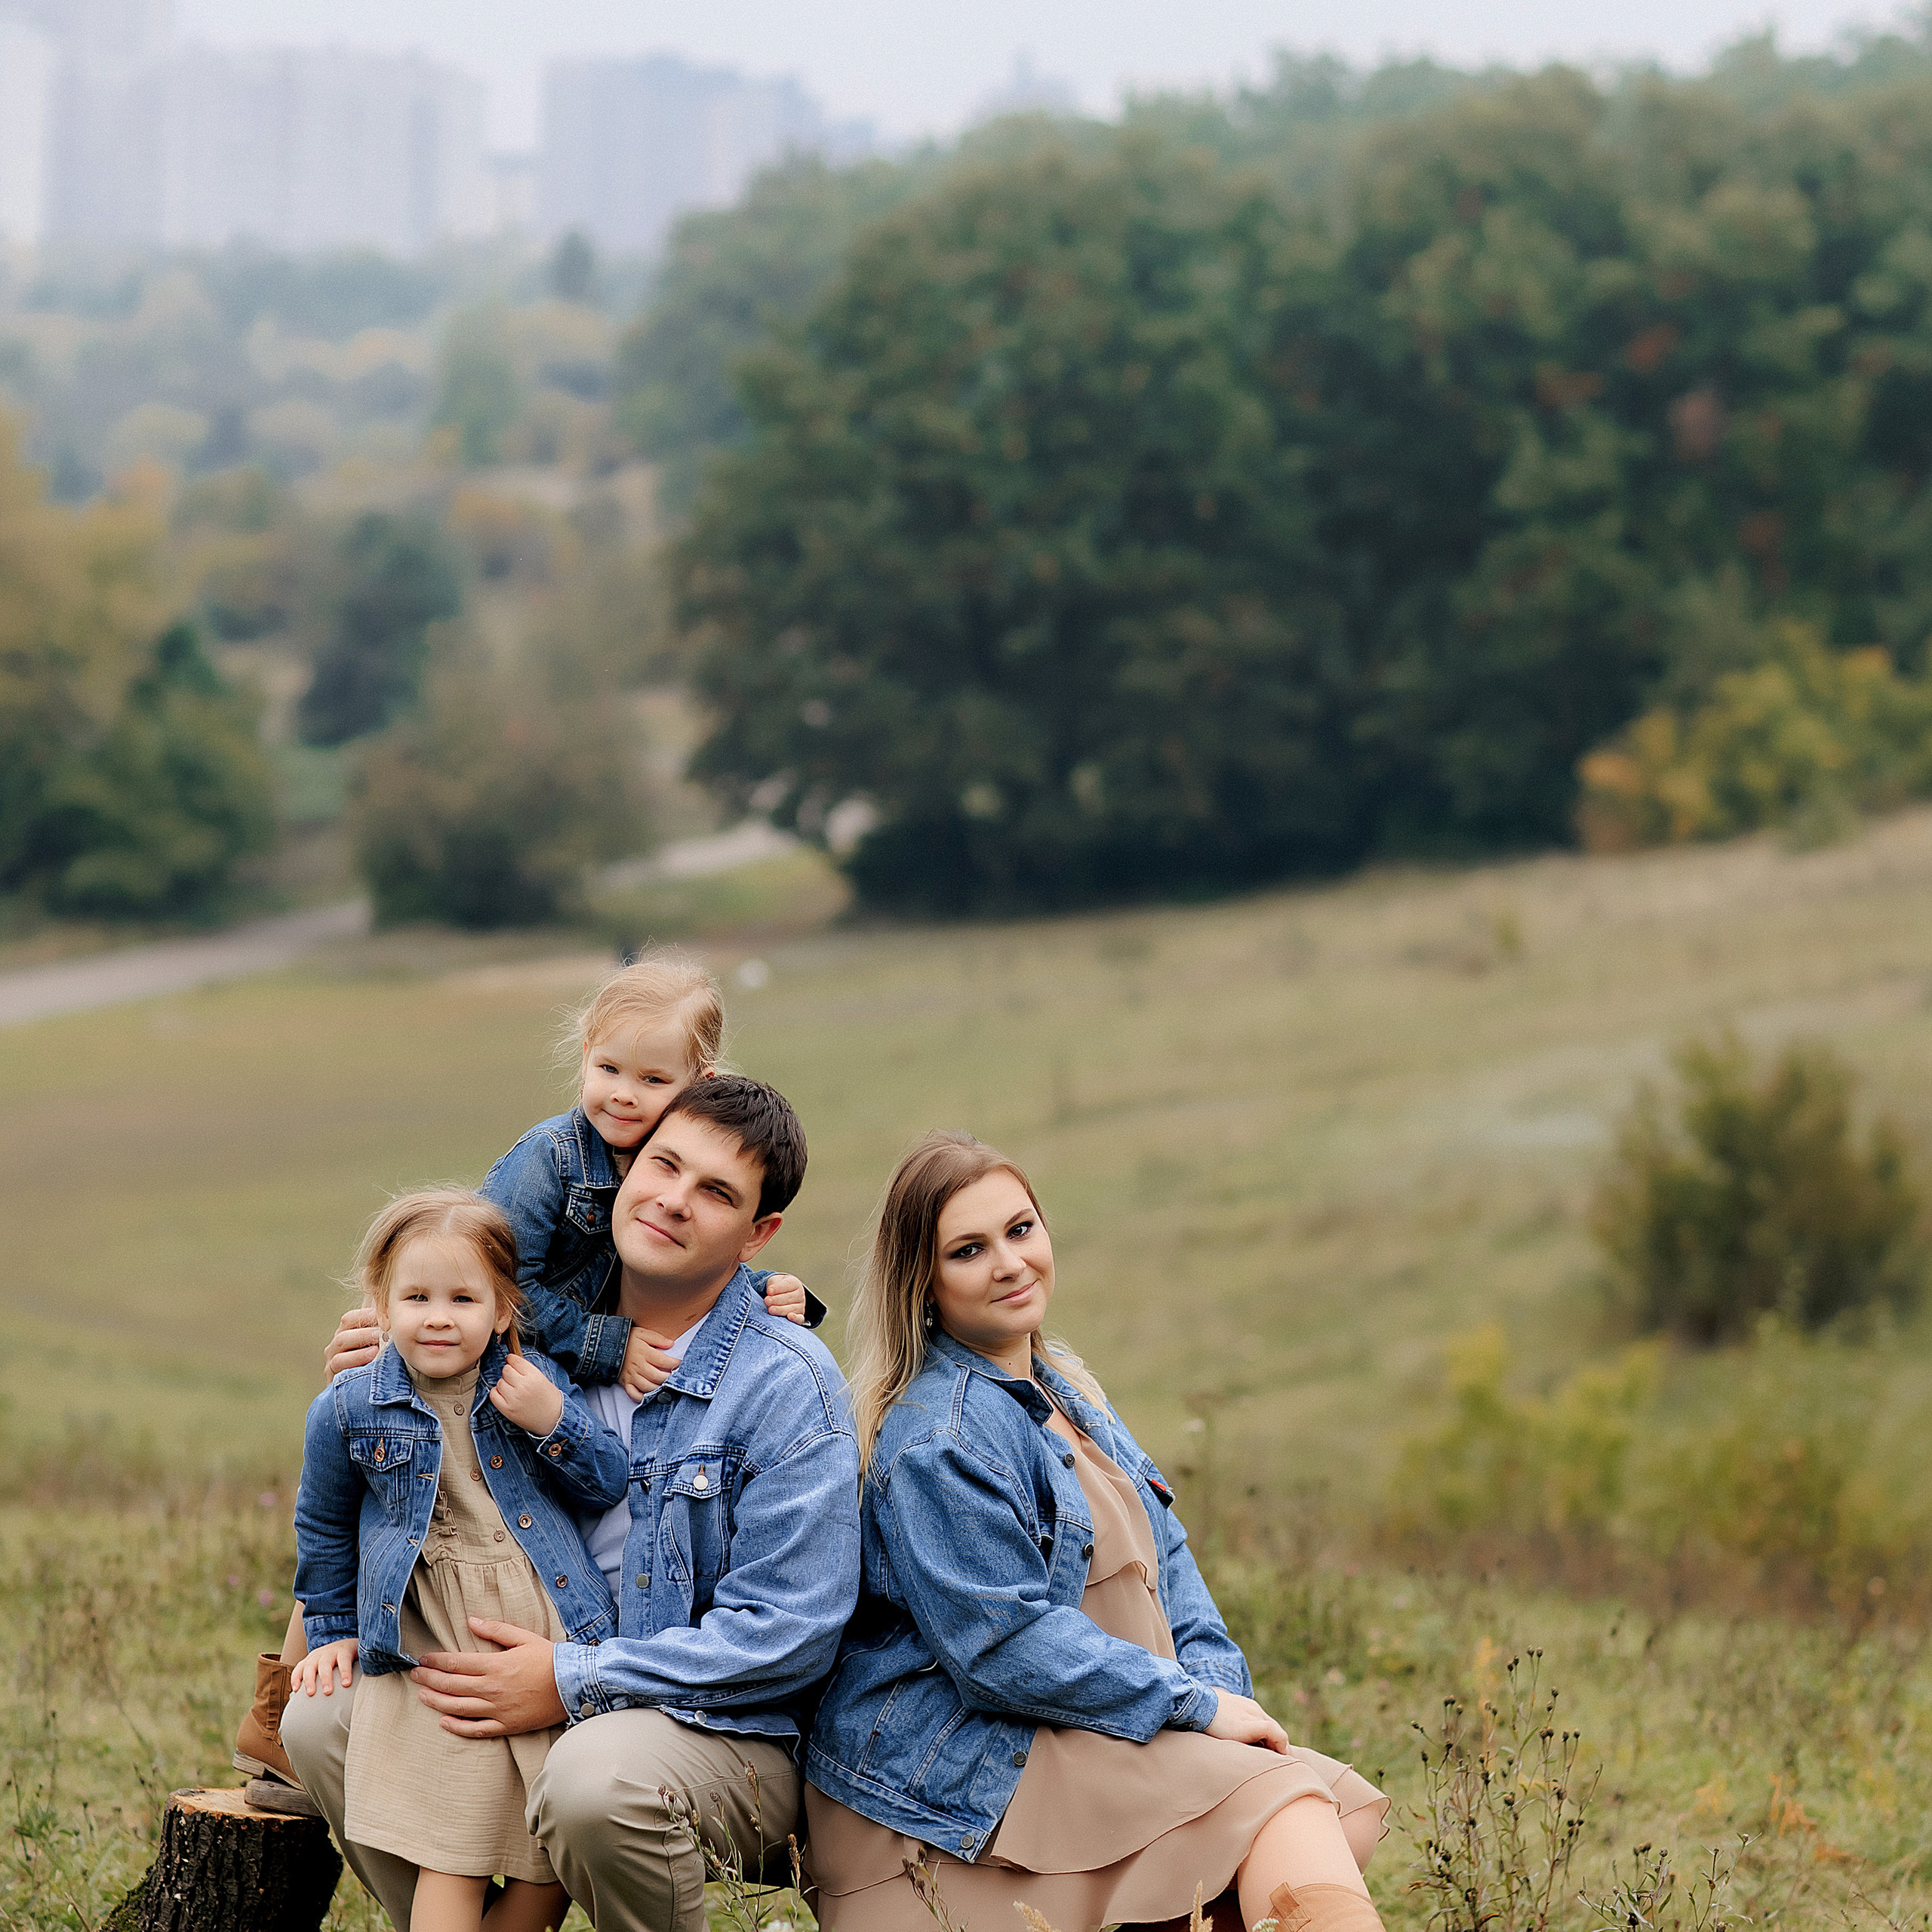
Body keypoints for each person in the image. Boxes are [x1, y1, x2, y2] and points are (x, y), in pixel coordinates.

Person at [235, 954, 821, 1807]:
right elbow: (479, 1269)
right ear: (584, 1054)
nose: (625, 1095)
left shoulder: (668, 1168)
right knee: (399, 1450)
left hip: (552, 1414)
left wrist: (774, 1292)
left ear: (698, 1085)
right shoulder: (553, 1158)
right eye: (609, 1069)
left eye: (653, 1080)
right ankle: (280, 1702)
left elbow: (705, 1240)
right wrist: (410, 1336)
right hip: (504, 1334)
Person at [284, 1077, 863, 1932]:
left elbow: (786, 1636)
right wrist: (386, 1375)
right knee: (319, 1722)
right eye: (663, 1165)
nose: (674, 1200)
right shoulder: (515, 1328)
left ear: (758, 1235)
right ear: (627, 1168)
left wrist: (569, 1680)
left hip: (719, 1731)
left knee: (593, 1777)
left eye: (716, 1193)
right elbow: (361, 1491)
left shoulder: (786, 1383)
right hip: (513, 1666)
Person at [804, 1131, 1390, 1932]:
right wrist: (1193, 1707)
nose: (1010, 1263)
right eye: (970, 1250)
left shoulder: (1068, 1391)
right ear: (924, 1284)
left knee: (1335, 1817)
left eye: (1021, 1230)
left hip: (1090, 1735)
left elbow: (1173, 1569)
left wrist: (1223, 1705)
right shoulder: (935, 1438)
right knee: (1290, 1815)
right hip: (966, 1777)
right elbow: (1002, 1647)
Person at [291, 1189, 629, 1932]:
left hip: (545, 1628)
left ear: (502, 1310)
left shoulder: (532, 1383)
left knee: (548, 1853)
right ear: (381, 1305)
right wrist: (331, 1631)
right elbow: (322, 1524)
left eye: (463, 1299)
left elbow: (608, 1481)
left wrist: (552, 1420)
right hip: (440, 1641)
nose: (438, 1317)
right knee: (453, 1849)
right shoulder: (350, 1407)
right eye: (416, 1297)